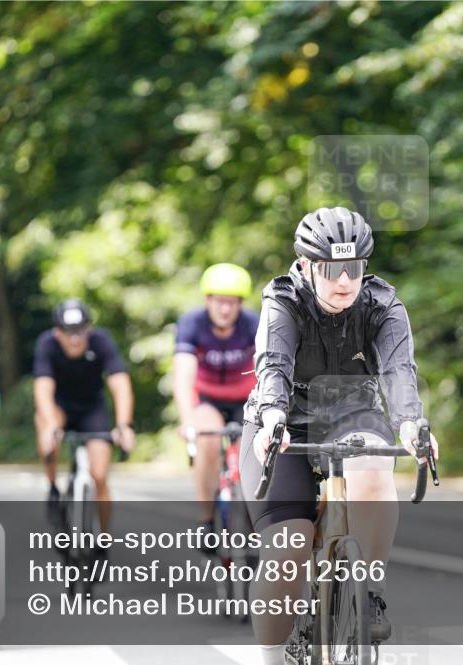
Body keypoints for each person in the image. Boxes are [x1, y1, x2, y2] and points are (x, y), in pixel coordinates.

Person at [239, 207, 440, 663]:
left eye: (355, 268)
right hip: (283, 422)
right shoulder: (283, 300)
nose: (345, 281)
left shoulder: (382, 304)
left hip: (352, 411)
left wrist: (410, 422)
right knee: (288, 550)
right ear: (308, 265)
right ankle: (272, 657)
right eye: (332, 269)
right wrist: (271, 416)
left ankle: (367, 592)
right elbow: (274, 364)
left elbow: (399, 370)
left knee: (373, 467)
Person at [33, 298, 136, 532]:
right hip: (59, 407)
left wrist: (123, 425)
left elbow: (120, 385)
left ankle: (103, 538)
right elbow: (43, 390)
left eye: (80, 331)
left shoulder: (101, 341)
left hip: (92, 408)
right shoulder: (46, 345)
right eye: (68, 332)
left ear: (88, 328)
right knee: (46, 428)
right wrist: (50, 426)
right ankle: (52, 487)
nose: (75, 338)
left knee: (99, 475)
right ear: (57, 332)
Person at [173, 263, 258, 536]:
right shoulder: (191, 324)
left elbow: (269, 367)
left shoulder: (253, 324)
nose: (225, 309)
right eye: (219, 302)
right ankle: (206, 519)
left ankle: (257, 518)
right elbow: (183, 374)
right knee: (207, 438)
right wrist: (187, 421)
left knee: (257, 450)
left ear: (240, 304)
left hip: (246, 399)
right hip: (208, 399)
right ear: (207, 300)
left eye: (231, 303)